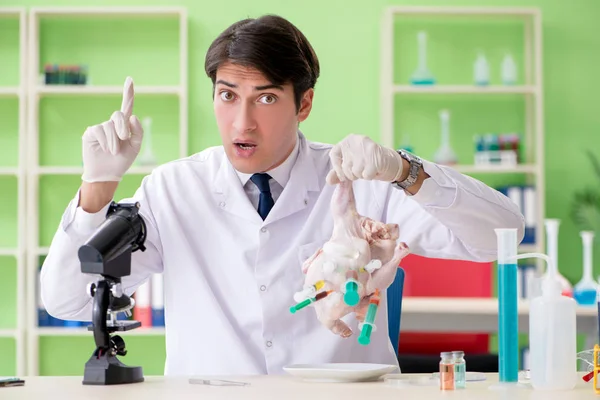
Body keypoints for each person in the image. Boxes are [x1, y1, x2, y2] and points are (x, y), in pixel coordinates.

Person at [40, 14, 525, 376]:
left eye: (266, 98)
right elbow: (68, 302)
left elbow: (501, 236)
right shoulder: (174, 189)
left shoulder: (361, 178)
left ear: (305, 102)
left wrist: (405, 170)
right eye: (228, 95)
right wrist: (97, 189)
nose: (242, 122)